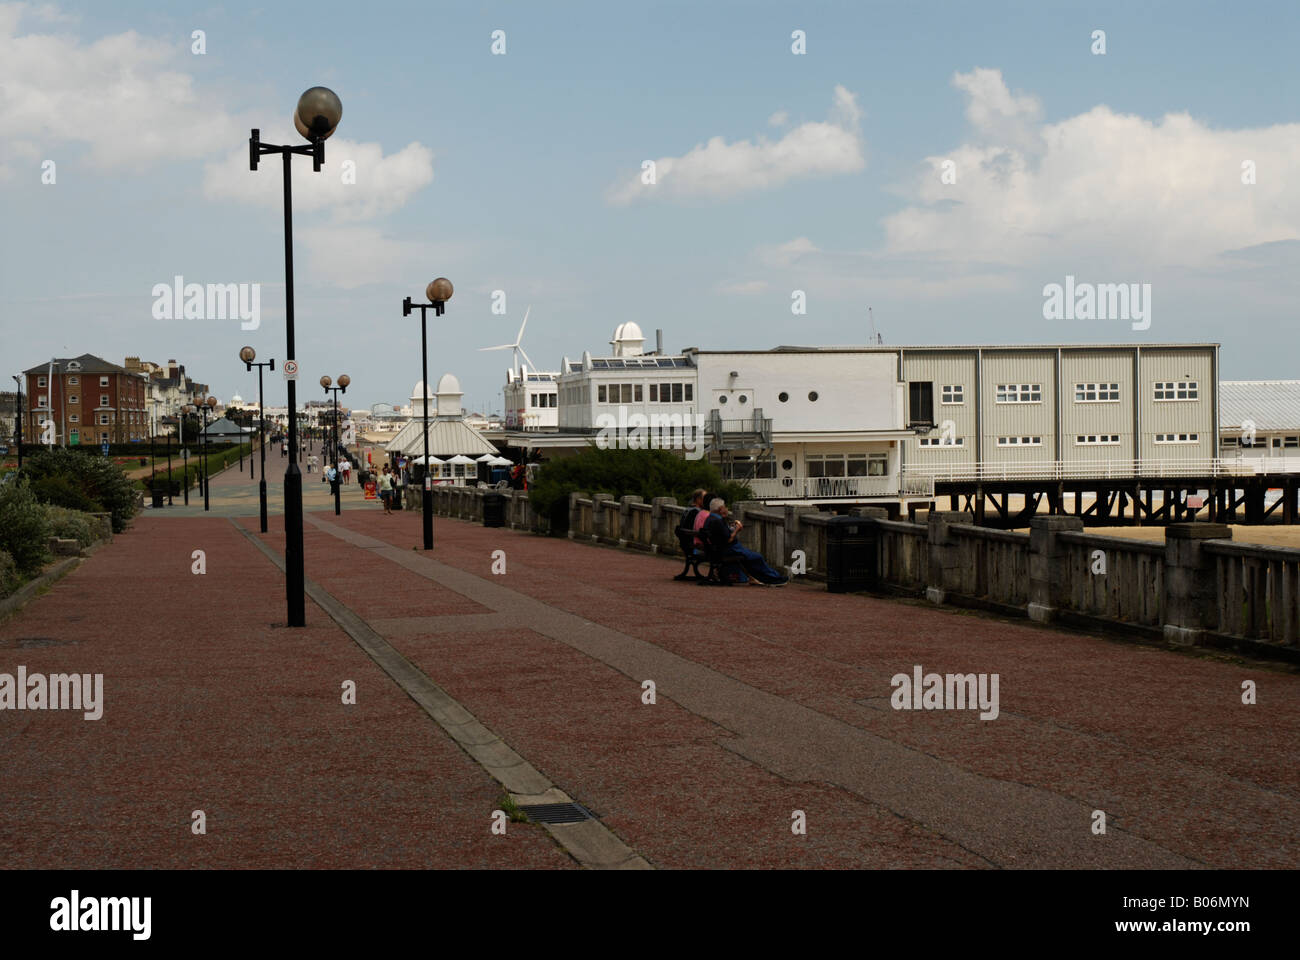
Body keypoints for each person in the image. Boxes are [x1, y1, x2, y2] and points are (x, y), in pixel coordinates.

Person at [703, 498, 788, 585]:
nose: (726, 509)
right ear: (720, 509)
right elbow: (728, 539)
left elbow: (722, 535)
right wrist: (737, 529)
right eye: (725, 507)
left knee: (751, 558)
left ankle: (767, 577)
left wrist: (731, 528)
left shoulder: (710, 519)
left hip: (716, 550)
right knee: (757, 557)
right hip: (728, 550)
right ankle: (774, 578)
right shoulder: (718, 521)